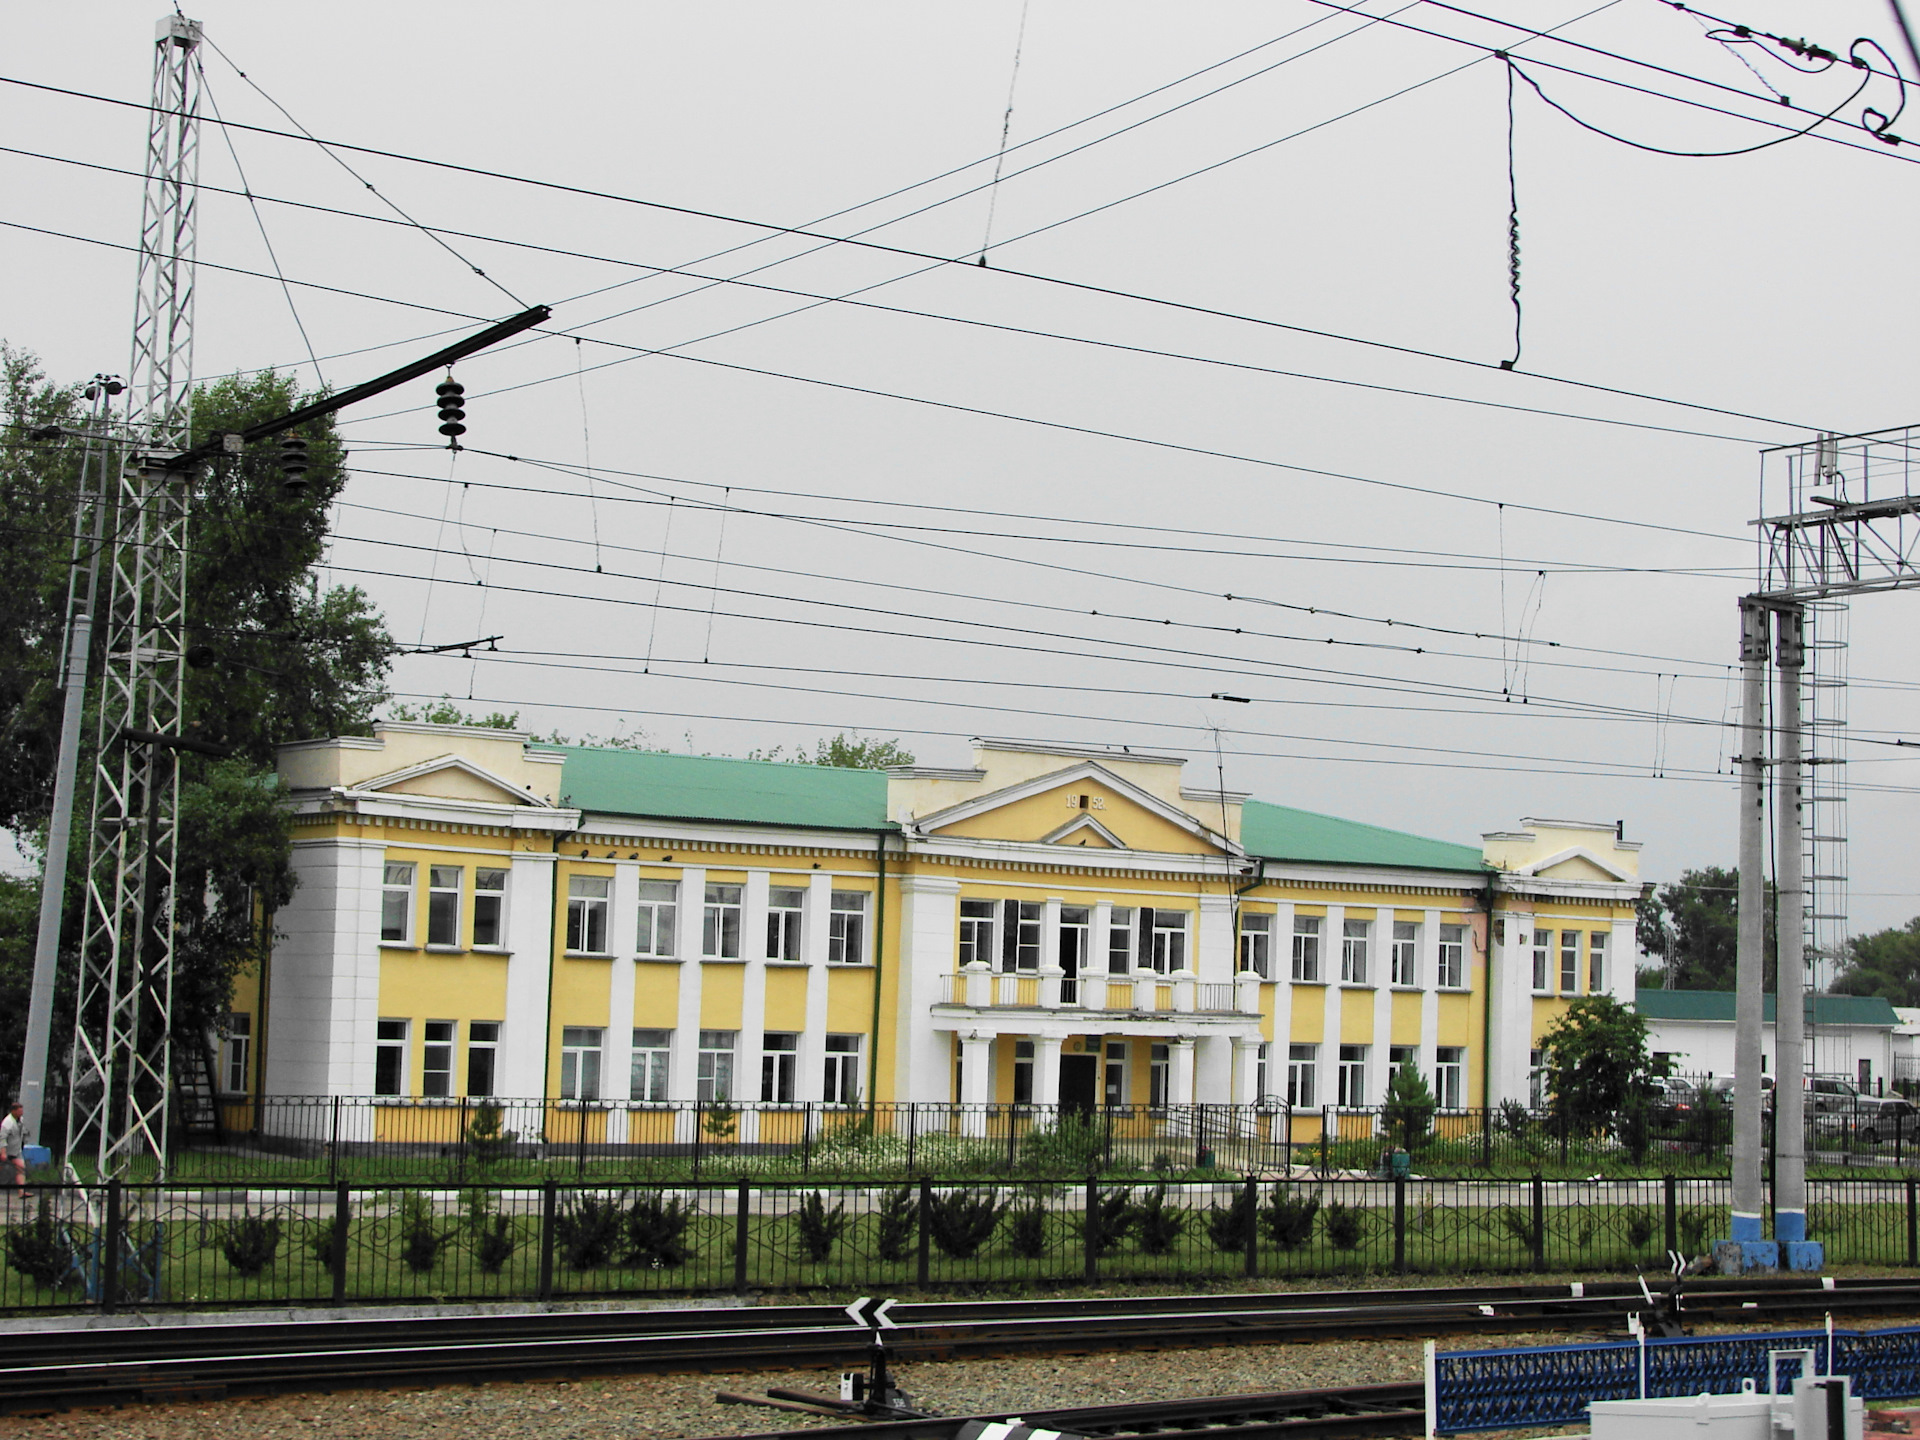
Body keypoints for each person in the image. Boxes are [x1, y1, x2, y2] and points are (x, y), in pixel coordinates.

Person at [0, 1101, 26, 1195]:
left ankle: (21, 1192)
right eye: (19, 1111)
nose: (21, 1113)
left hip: (16, 1150)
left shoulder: (20, 1120)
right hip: (6, 1150)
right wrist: (3, 1152)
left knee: (21, 1168)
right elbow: (2, 1138)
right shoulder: (7, 1123)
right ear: (13, 1111)